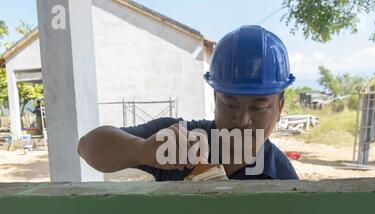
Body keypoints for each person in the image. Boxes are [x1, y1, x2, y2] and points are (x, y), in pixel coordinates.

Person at [78, 25, 298, 181]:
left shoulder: (282, 177)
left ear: (279, 108)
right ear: (215, 99)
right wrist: (142, 149)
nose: (242, 120)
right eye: (230, 104)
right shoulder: (177, 140)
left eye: (258, 107)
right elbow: (87, 147)